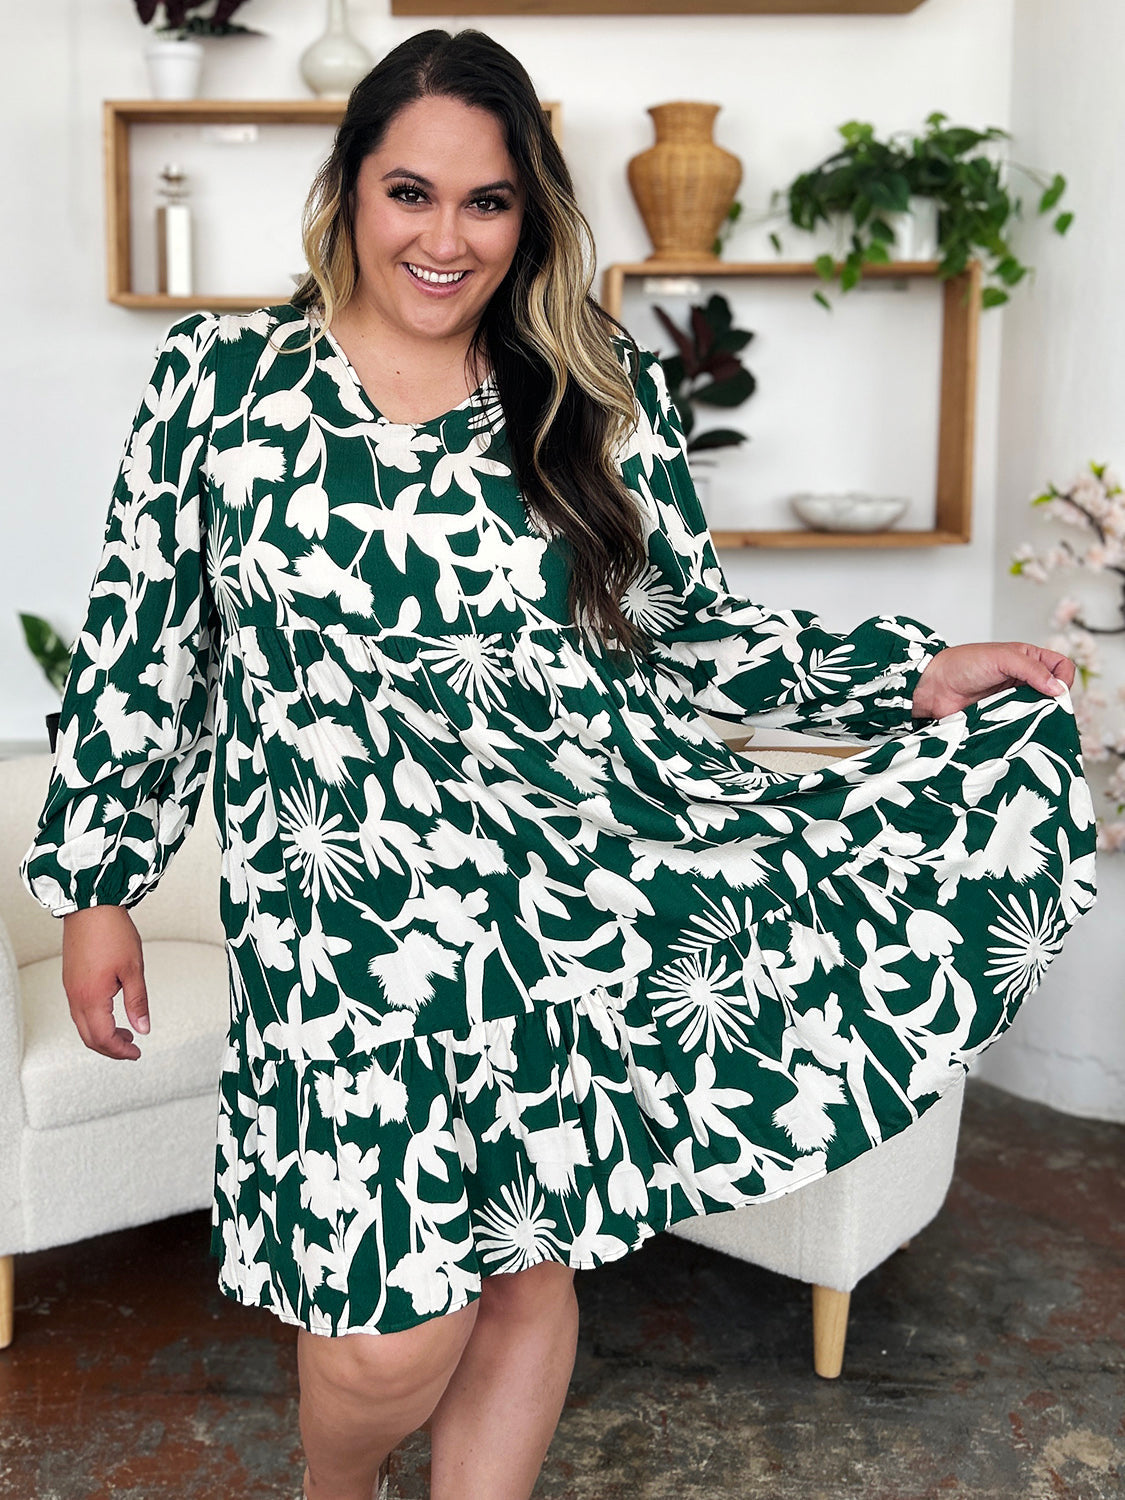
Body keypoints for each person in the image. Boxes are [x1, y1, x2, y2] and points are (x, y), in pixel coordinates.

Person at [19, 26, 1096, 1500]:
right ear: (347, 192)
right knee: (384, 1340)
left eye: (487, 200)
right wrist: (97, 887)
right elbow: (149, 649)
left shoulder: (590, 393)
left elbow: (689, 631)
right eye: (410, 193)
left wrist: (915, 676)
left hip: (560, 896)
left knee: (525, 1273)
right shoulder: (219, 385)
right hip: (340, 921)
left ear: (531, 211)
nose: (444, 237)